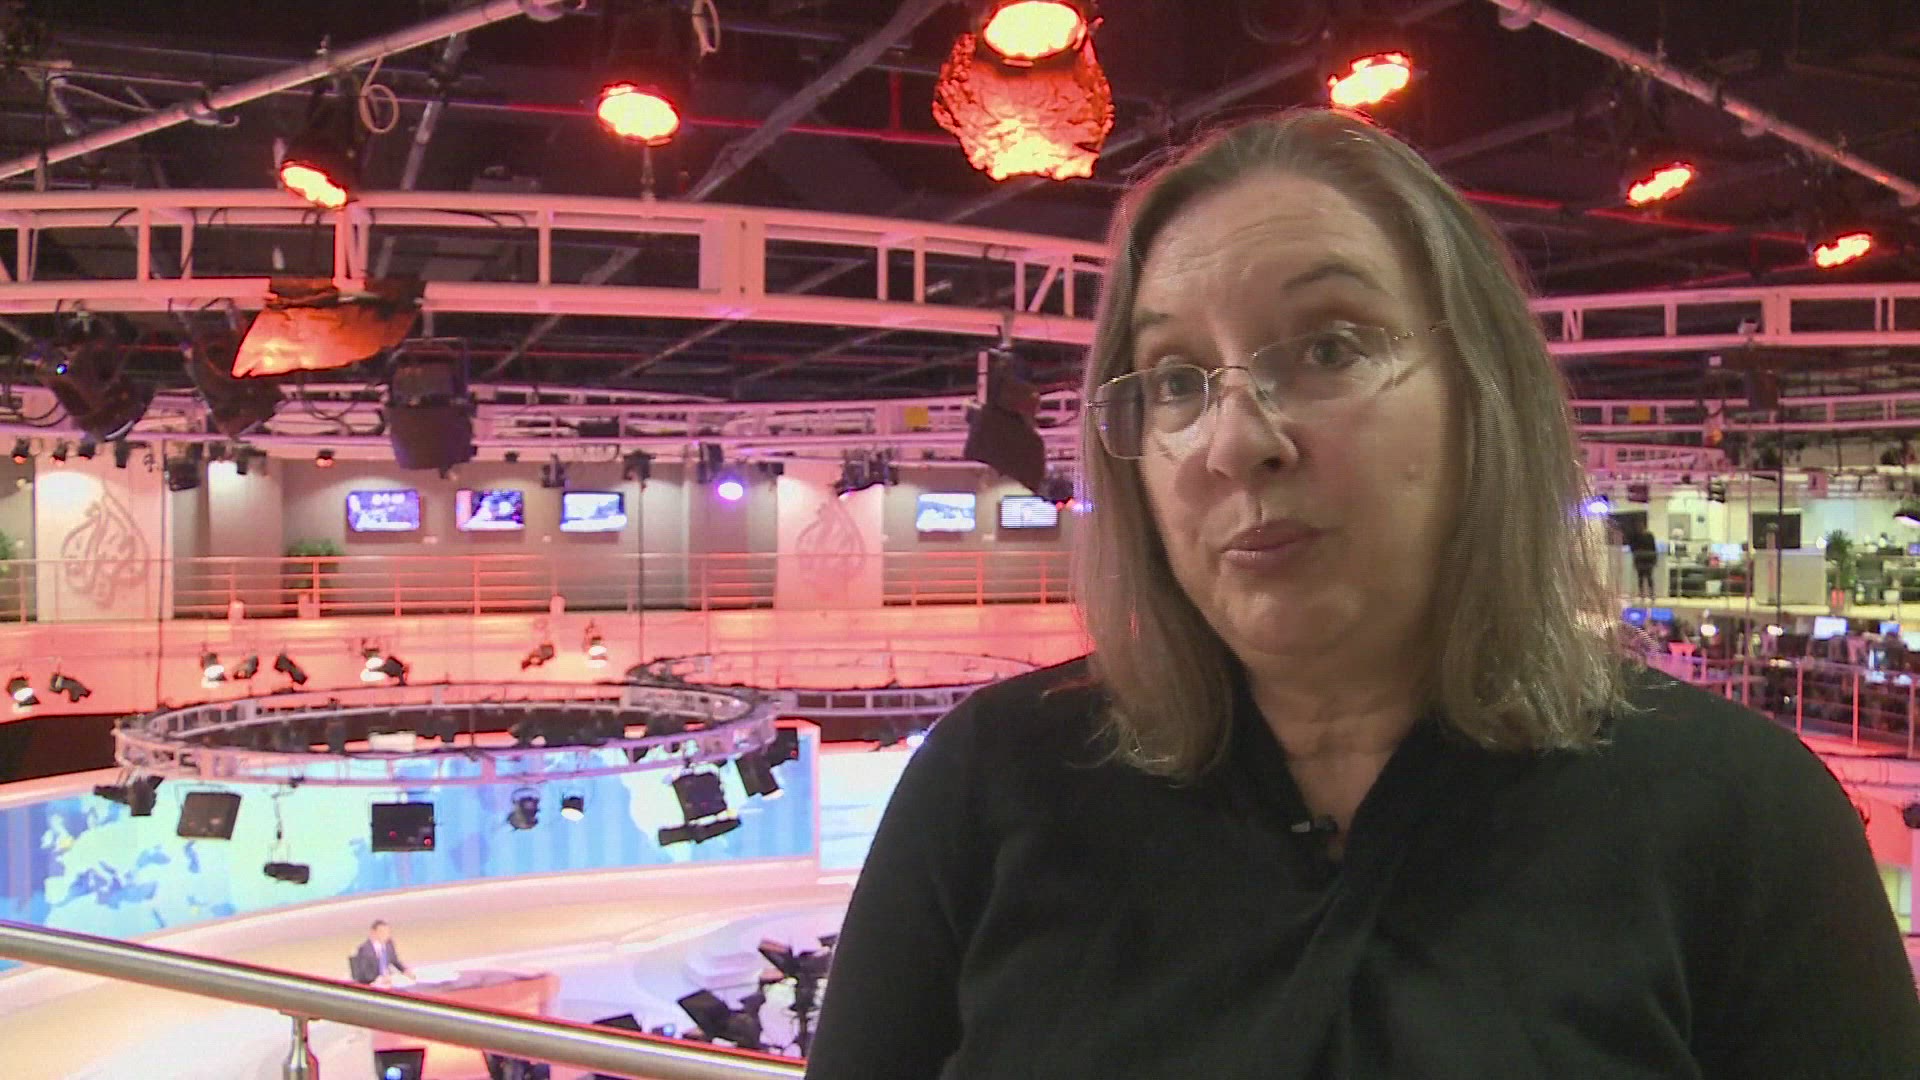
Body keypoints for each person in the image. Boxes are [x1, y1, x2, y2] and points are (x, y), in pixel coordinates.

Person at [804, 109, 1920, 1078]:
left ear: (1482, 395)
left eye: (1331, 348)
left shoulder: (1742, 817)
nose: (1235, 444)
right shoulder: (991, 784)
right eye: (1179, 380)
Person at [348, 919, 413, 988]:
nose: (386, 935)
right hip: (372, 985)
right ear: (373, 932)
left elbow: (394, 960)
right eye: (382, 932)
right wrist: (380, 979)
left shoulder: (389, 944)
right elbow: (364, 974)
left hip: (387, 981)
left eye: (387, 932)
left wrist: (404, 970)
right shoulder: (364, 950)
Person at [1628, 524, 1659, 600]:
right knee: (1643, 577)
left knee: (1646, 577)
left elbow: (1653, 548)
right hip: (1644, 559)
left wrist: (1654, 559)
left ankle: (1647, 593)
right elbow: (1653, 548)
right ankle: (1646, 593)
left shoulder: (1640, 536)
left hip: (1644, 559)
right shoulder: (1644, 536)